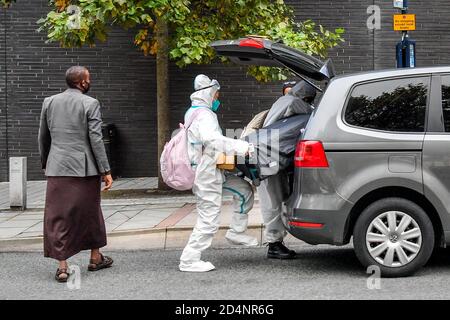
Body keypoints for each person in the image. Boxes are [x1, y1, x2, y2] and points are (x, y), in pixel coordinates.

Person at [38, 66, 114, 282]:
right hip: (85, 168)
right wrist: (105, 170)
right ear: (82, 83)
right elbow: (96, 139)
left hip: (57, 166)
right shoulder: (90, 103)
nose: (90, 82)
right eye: (88, 79)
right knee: (90, 212)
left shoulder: (49, 102)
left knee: (58, 215)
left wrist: (46, 162)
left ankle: (63, 267)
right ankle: (95, 257)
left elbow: (43, 136)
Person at [179, 74, 257, 272]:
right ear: (207, 93)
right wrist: (241, 146)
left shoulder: (196, 111)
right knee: (209, 217)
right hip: (206, 174)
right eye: (216, 95)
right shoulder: (203, 115)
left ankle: (237, 233)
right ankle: (189, 259)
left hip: (212, 170)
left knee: (244, 191)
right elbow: (212, 140)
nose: (217, 98)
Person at [258, 81, 316, 259]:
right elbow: (310, 114)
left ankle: (276, 242)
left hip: (270, 155)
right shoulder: (292, 102)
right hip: (270, 157)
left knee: (276, 199)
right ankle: (274, 245)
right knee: (273, 201)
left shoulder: (284, 102)